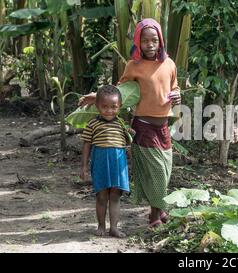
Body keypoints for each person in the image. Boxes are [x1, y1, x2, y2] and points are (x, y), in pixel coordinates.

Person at [79, 18, 181, 228]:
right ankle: (154, 215)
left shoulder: (169, 64)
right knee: (156, 172)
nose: (150, 44)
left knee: (166, 170)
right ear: (138, 42)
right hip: (143, 125)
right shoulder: (133, 66)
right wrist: (95, 96)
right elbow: (118, 92)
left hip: (163, 127)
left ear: (160, 41)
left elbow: (175, 88)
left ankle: (158, 207)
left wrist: (177, 95)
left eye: (154, 40)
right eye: (145, 40)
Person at [80, 85, 132, 238]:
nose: (109, 110)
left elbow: (129, 143)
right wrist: (84, 166)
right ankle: (101, 225)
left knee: (115, 196)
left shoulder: (122, 124)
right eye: (104, 107)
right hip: (100, 162)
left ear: (120, 106)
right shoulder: (92, 124)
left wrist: (131, 136)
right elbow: (86, 145)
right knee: (101, 196)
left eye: (114, 107)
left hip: (118, 163)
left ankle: (114, 228)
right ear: (97, 106)